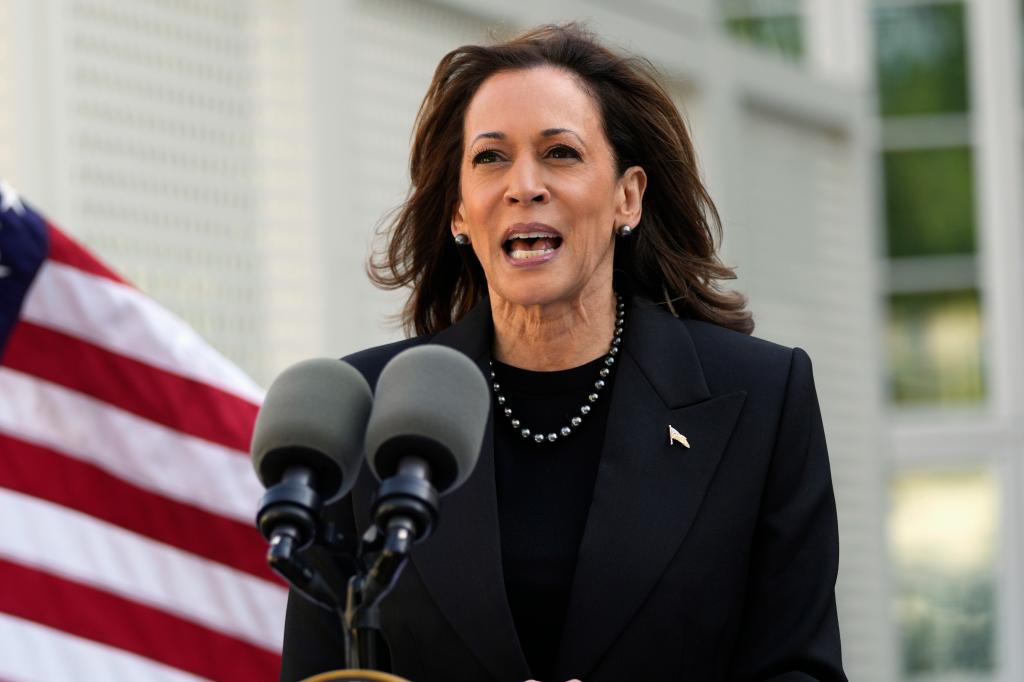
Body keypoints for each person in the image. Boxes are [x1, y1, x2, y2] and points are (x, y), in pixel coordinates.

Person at [280, 23, 847, 682]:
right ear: (459, 211)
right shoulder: (365, 413)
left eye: (560, 153)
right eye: (490, 158)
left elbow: (798, 671)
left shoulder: (762, 398)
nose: (524, 184)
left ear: (626, 197)